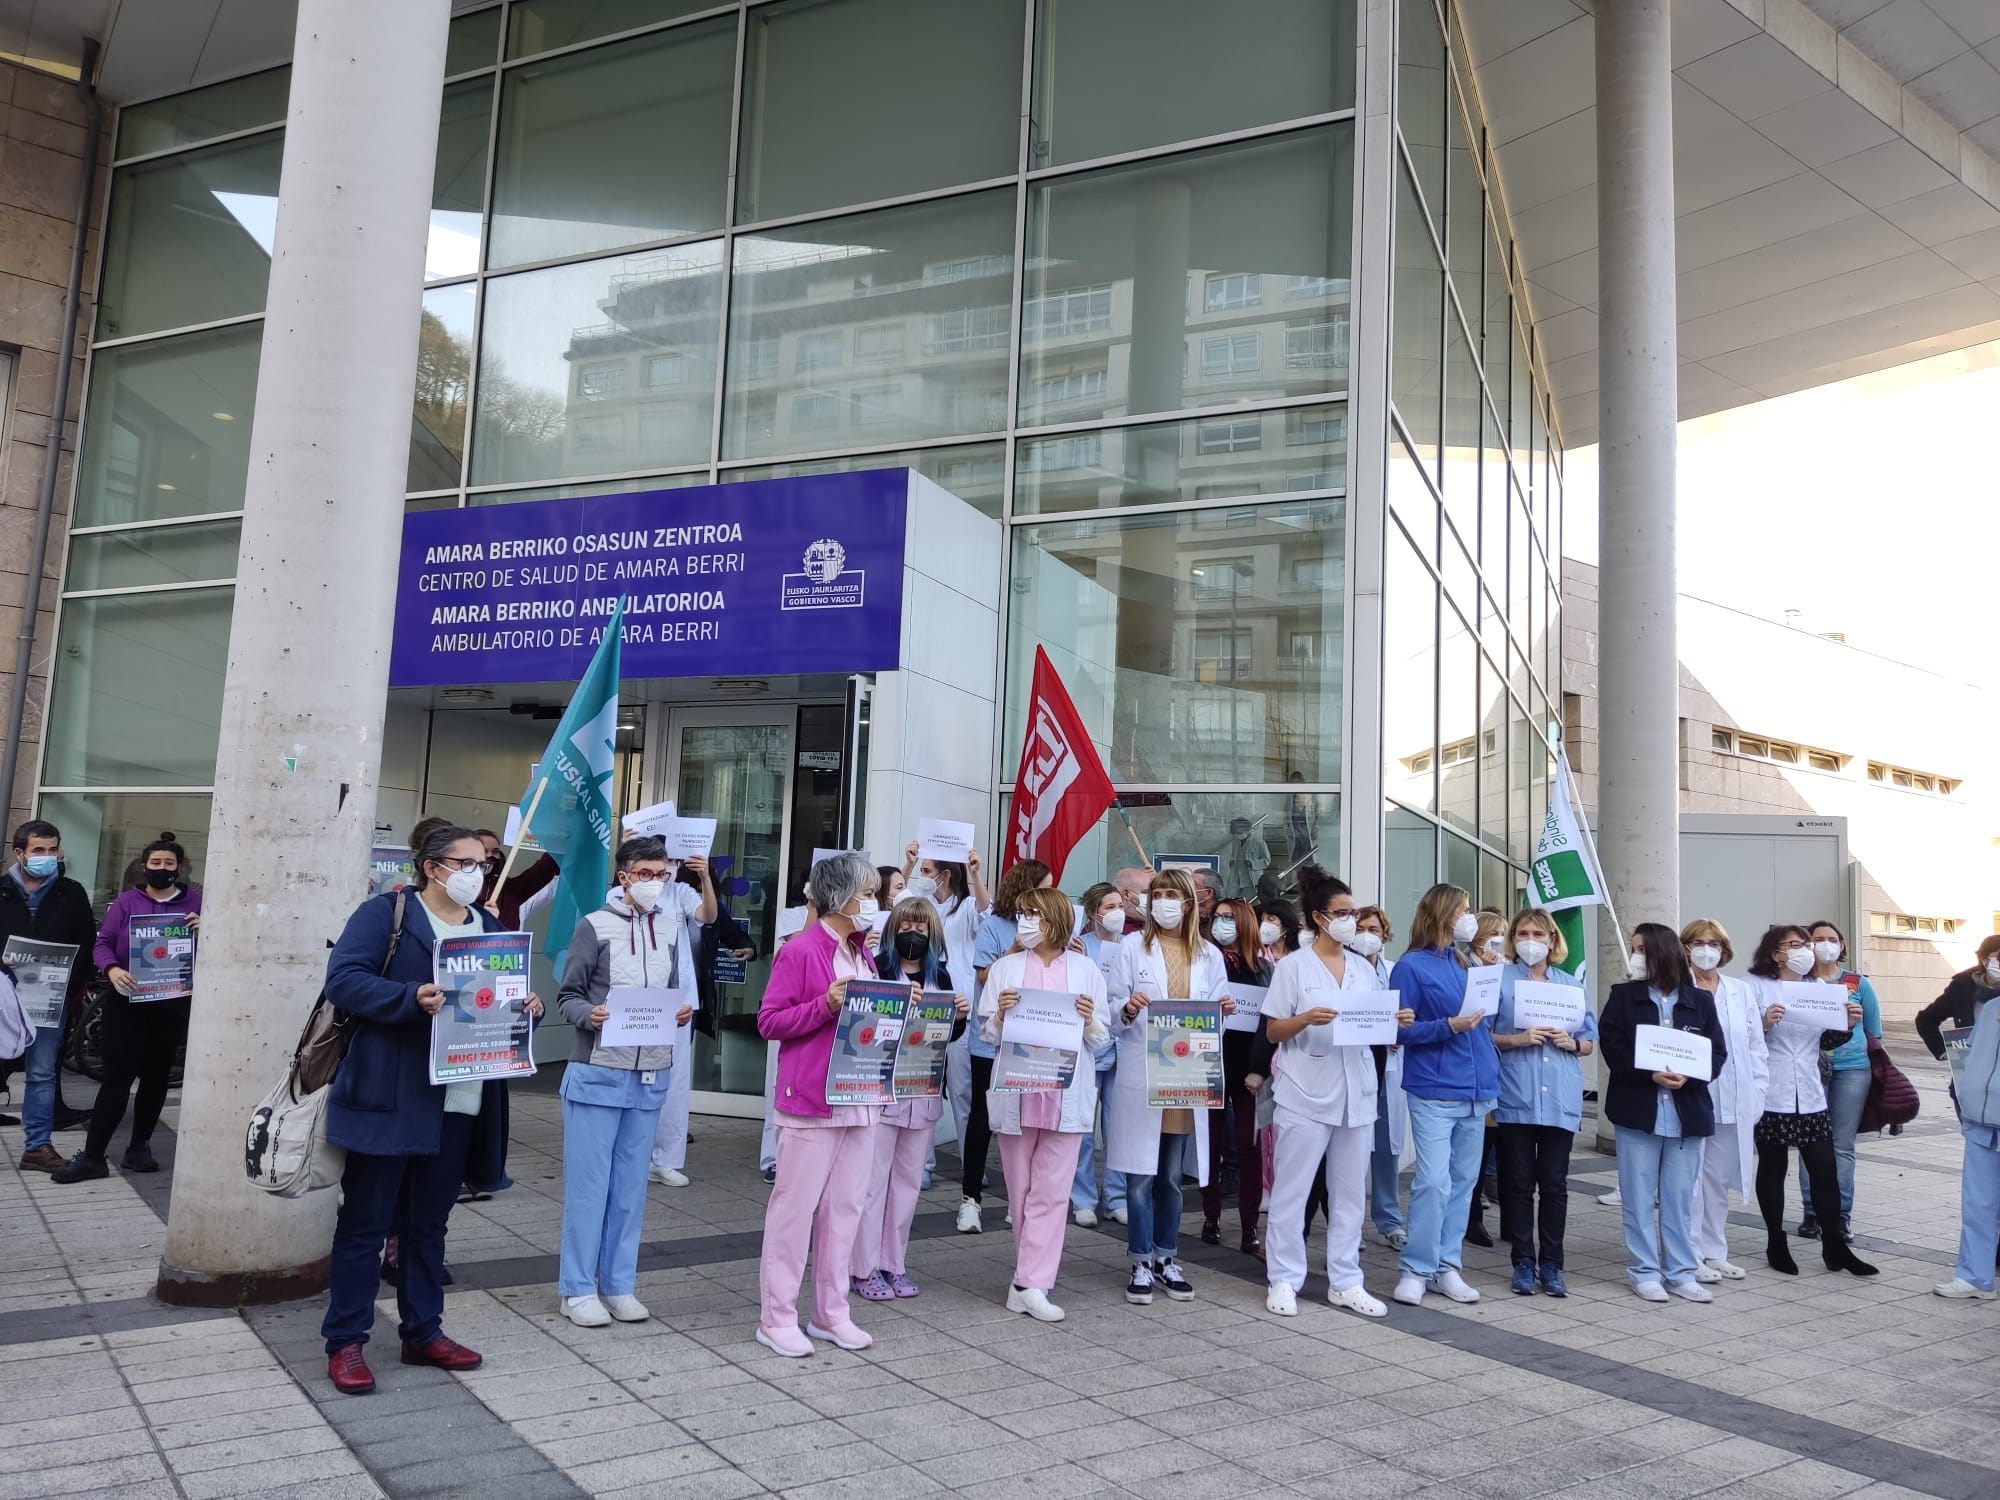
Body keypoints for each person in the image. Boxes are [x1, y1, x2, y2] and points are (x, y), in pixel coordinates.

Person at [319, 824, 539, 1394]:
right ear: (431, 866)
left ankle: (423, 1332)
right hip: (391, 1098)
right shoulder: (386, 915)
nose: (476, 872)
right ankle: (346, 1341)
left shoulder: (488, 926)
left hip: (461, 1101)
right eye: (464, 862)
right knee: (366, 1226)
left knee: (428, 1227)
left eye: (483, 864)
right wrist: (408, 999)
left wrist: (527, 1008)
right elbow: (344, 981)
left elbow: (498, 1001)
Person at [554, 836, 705, 1328]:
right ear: (624, 876)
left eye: (663, 875)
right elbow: (568, 996)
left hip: (649, 1073)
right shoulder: (593, 925)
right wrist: (590, 1014)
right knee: (589, 1188)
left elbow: (672, 991)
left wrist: (680, 1012)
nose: (655, 883)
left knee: (629, 1191)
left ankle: (619, 1284)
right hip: (597, 1071)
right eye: (646, 873)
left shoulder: (671, 925)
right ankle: (576, 1289)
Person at [1259, 866, 1406, 1319]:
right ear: (1319, 918)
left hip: (1356, 1093)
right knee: (1292, 1189)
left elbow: (1374, 1027)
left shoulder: (1364, 969)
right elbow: (1272, 1031)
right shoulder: (1292, 967)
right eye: (1343, 913)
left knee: (1348, 1194)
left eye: (1355, 913)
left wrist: (1395, 1024)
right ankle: (1284, 1278)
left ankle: (1346, 1280)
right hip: (1305, 1090)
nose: (1352, 921)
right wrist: (1305, 1019)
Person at [754, 851, 883, 1358]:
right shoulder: (801, 951)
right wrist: (824, 1005)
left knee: (846, 1209)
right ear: (839, 897)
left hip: (860, 1094)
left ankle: (832, 1311)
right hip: (811, 1099)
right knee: (794, 1210)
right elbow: (770, 1021)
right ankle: (777, 1315)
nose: (872, 903)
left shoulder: (861, 951)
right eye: (867, 893)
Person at [980, 888, 1110, 1322]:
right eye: (1022, 914)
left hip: (1064, 1094)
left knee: (1053, 1194)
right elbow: (986, 1034)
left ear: (1055, 919)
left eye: (1034, 914)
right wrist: (1000, 1015)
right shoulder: (1006, 967)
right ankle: (1027, 1280)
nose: (1025, 922)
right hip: (1018, 1091)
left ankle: (1031, 1283)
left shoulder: (1087, 969)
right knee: (1021, 1192)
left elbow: (1102, 1038)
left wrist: (1090, 1018)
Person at [1106, 868, 1234, 1305]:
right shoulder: (1130, 948)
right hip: (1143, 1075)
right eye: (1156, 894)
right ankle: (1140, 1260)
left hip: (1185, 1076)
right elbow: (1110, 1008)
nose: (1162, 902)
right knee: (1140, 1177)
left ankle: (1167, 1257)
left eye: (1171, 895)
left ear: (1188, 904)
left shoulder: (1209, 955)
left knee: (1172, 1178)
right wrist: (1126, 1008)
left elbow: (1213, 1014)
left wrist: (1225, 1010)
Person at [51, 834, 203, 1183]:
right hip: (128, 1001)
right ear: (143, 866)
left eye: (168, 864)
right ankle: (93, 1156)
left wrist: (206, 931)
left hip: (171, 1004)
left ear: (179, 868)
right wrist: (113, 969)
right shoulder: (125, 902)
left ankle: (139, 1147)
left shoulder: (197, 903)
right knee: (117, 1079)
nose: (162, 869)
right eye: (155, 863)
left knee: (156, 1078)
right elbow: (102, 943)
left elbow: (218, 948)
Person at [1597, 922, 1728, 1303]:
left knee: (1679, 1198)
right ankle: (1644, 1270)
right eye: (1634, 949)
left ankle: (1681, 1272)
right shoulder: (1623, 996)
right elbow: (1613, 1048)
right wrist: (1648, 1073)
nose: (1635, 956)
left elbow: (1716, 1053)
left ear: (1661, 952)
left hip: (1687, 1113)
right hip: (1638, 1112)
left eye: (1641, 949)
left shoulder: (1700, 1000)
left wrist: (1690, 1076)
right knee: (1637, 1197)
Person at [1743, 924, 1876, 1278]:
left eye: (1807, 944)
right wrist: (1763, 1022)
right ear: (1775, 953)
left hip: (1811, 1090)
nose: (1805, 950)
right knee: (1773, 1167)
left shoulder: (1819, 987)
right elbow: (1740, 1036)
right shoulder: (1753, 986)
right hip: (1772, 1089)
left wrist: (1846, 1023)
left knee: (1824, 1169)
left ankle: (1834, 1245)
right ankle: (1776, 1241)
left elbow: (1826, 1040)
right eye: (1795, 945)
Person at [851, 896, 967, 1302]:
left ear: (932, 932)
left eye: (919, 927)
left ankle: (893, 1264)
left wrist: (960, 1017)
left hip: (923, 1091)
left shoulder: (944, 976)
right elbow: (861, 1024)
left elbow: (946, 1036)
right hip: (882, 1089)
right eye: (904, 927)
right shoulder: (876, 968)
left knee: (907, 1185)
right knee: (872, 1183)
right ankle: (862, 1268)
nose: (912, 934)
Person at [1388, 883, 1495, 1307]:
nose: (1470, 917)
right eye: (1464, 910)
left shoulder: (1468, 961)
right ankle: (1416, 1267)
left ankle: (1446, 1266)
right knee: (1433, 1182)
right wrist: (1448, 1026)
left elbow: (1486, 1022)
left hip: (1477, 1090)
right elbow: (1397, 1029)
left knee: (1465, 1184)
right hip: (1434, 1088)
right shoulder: (1411, 967)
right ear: (1443, 913)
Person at [1489, 908, 1594, 1296]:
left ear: (1552, 939)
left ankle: (1552, 1264)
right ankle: (1522, 1261)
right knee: (1516, 1183)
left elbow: (1589, 1041)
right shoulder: (1499, 980)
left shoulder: (1571, 985)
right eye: (1522, 932)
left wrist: (1574, 1043)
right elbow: (1479, 1034)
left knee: (1554, 1184)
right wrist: (1515, 1040)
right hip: (1516, 1092)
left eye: (1538, 933)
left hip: (1561, 1095)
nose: (1530, 940)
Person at [958, 857, 1052, 1234]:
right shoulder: (994, 926)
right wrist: (1015, 947)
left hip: (1030, 1041)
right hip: (991, 1041)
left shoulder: (1050, 927)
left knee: (1025, 1122)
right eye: (1043, 885)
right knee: (982, 1121)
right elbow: (983, 976)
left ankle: (1021, 1199)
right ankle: (970, 1200)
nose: (1049, 892)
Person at [1, 819, 98, 1172]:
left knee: (41, 1074)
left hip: (48, 1001)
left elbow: (87, 943)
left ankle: (37, 1147)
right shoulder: (1, 891)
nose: (47, 856)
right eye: (38, 850)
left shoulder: (71, 893)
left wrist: (70, 983)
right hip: (3, 1000)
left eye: (52, 849)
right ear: (19, 853)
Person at [1683, 918, 1767, 1282]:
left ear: (1724, 949)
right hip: (1694, 1096)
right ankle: (1688, 1252)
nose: (1706, 949)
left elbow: (1756, 1046)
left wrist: (1758, 1091)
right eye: (1698, 942)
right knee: (1691, 1179)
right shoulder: (1679, 989)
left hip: (1734, 1096)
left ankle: (1714, 1250)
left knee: (1717, 1179)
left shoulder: (1740, 991)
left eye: (1713, 943)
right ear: (1685, 948)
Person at [1797, 920, 1880, 1241]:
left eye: (1832, 939)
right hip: (1808, 1069)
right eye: (1818, 939)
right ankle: (1811, 1212)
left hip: (1853, 1069)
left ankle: (1841, 1216)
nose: (1826, 944)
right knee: (1809, 1142)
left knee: (1842, 1145)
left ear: (1842, 946)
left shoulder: (1858, 983)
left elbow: (1874, 1030)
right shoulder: (1798, 982)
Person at [643, 854, 720, 1190]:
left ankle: (667, 1161)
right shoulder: (617, 895)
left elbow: (709, 915)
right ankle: (636, 1156)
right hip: (638, 999)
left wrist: (704, 878)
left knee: (674, 1082)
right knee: (639, 1078)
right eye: (660, 862)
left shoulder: (680, 893)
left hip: (679, 1001)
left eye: (671, 862)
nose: (666, 869)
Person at [1202, 896, 1269, 1257]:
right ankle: (1210, 1217)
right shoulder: (1205, 961)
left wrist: (1259, 1069)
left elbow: (1268, 1025)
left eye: (1228, 917)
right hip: (1208, 1064)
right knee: (1208, 1148)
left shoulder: (1263, 969)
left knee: (1249, 1149)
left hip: (1248, 1071)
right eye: (1216, 917)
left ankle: (1248, 1226)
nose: (1220, 923)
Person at [1933, 972, 2000, 1299]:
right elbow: (1971, 1056)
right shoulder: (1991, 1009)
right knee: (1978, 1204)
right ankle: (1974, 1276)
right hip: (1981, 1120)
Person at [1070, 881, 1128, 1228]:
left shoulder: (1132, 947)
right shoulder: (1081, 948)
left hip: (1125, 1046)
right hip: (1091, 1047)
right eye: (1108, 906)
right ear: (1093, 913)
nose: (1116, 912)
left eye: (1119, 905)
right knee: (1084, 1126)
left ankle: (1117, 1196)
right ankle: (1083, 1198)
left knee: (1119, 1126)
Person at [1353, 905, 1407, 1249]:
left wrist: (1400, 1029)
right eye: (1361, 928)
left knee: (1387, 1148)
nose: (1367, 935)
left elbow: (1406, 1014)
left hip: (1388, 1066)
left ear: (1384, 935)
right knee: (1353, 1150)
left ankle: (1389, 1219)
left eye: (1374, 929)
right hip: (1356, 1066)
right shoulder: (1343, 970)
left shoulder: (1394, 971)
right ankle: (1350, 1225)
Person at [1463, 911, 1507, 1248]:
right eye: (1494, 933)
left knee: (1506, 1146)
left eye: (1503, 933)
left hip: (1510, 1067)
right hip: (1480, 1063)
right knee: (1479, 1147)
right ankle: (1471, 1216)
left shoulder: (1507, 967)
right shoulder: (1464, 964)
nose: (1499, 940)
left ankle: (1509, 1217)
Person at [1915, 935, 2000, 1065]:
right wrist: (1943, 1051)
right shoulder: (1962, 986)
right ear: (1985, 960)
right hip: (1970, 1070)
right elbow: (1926, 1019)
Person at [1256, 898, 1302, 964]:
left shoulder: (1300, 953)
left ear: (1286, 925)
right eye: (1262, 920)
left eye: (1271, 919)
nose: (1264, 924)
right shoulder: (1258, 955)